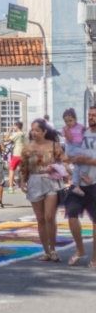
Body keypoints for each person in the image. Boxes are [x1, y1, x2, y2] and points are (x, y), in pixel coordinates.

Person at [18, 119, 66, 262]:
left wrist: (57, 168)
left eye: (37, 130)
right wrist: (22, 181)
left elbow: (63, 162)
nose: (34, 132)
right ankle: (46, 251)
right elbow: (23, 167)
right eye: (32, 130)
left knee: (49, 216)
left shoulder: (54, 145)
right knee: (40, 218)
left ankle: (53, 250)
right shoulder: (27, 148)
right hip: (34, 181)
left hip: (51, 181)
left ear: (44, 131)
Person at [64, 106, 96, 267]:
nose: (91, 118)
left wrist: (85, 161)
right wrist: (70, 159)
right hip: (78, 183)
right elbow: (70, 152)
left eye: (94, 115)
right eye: (89, 115)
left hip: (94, 182)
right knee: (71, 213)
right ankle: (80, 249)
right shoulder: (82, 132)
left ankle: (95, 258)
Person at [62, 108, 88, 195]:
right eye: (66, 121)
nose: (68, 123)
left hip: (79, 147)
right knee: (87, 156)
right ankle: (82, 176)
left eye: (70, 120)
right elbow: (70, 139)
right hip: (71, 148)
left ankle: (76, 185)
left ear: (75, 119)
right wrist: (66, 131)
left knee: (78, 165)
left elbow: (86, 133)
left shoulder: (80, 127)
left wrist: (86, 130)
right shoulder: (65, 129)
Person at [6, 121, 26, 193]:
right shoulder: (24, 134)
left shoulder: (16, 134)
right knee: (22, 171)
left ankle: (11, 188)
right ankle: (23, 187)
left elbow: (6, 139)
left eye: (15, 126)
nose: (14, 127)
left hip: (16, 154)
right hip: (23, 154)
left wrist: (9, 131)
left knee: (11, 170)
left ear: (17, 127)